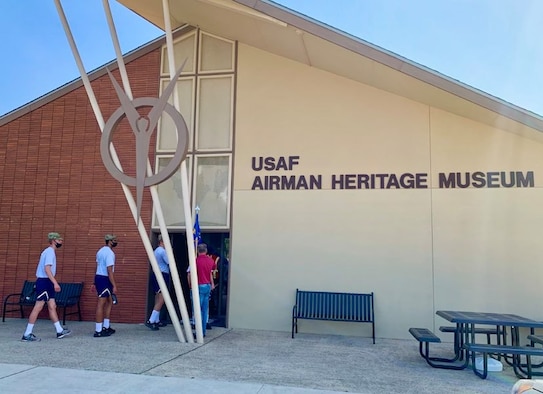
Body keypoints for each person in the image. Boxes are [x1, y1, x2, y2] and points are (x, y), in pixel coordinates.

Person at [21, 232, 71, 342]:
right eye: (59, 240)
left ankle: (59, 330)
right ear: (54, 240)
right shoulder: (49, 252)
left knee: (52, 305)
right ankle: (27, 333)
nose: (61, 242)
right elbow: (47, 269)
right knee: (38, 306)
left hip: (46, 282)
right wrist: (55, 283)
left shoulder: (49, 252)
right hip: (45, 281)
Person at [187, 243, 215, 337]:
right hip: (207, 286)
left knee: (197, 310)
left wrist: (190, 286)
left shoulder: (195, 261)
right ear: (206, 251)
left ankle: (198, 331)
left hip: (197, 287)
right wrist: (212, 284)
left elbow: (190, 274)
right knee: (204, 311)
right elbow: (210, 273)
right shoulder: (211, 261)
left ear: (198, 251)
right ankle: (202, 332)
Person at [94, 234, 118, 338]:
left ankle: (106, 326)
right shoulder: (109, 253)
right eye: (114, 240)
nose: (116, 242)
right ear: (110, 241)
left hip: (100, 277)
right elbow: (109, 270)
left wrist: (94, 282)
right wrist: (114, 285)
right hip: (104, 279)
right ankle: (98, 330)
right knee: (101, 303)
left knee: (109, 301)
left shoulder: (100, 251)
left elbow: (98, 266)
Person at [145, 234, 170, 330]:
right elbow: (169, 262)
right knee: (162, 299)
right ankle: (151, 320)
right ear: (162, 242)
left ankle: (156, 320)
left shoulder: (155, 251)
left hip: (156, 273)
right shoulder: (162, 251)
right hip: (162, 274)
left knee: (157, 296)